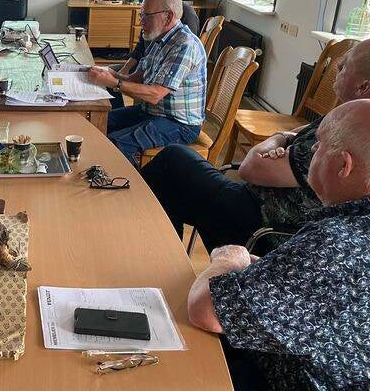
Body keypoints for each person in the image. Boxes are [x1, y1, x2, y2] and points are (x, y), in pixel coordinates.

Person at [187, 99, 370, 391]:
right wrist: (272, 272)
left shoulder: (335, 243)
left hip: (298, 385)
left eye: (319, 146)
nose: (311, 150)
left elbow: (206, 311)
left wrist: (228, 258)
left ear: (343, 166)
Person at [141, 39, 370, 252]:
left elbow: (250, 169)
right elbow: (295, 134)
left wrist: (278, 140)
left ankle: (159, 254)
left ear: (364, 86)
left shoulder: (349, 138)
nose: (338, 68)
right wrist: (282, 138)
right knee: (172, 187)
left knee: (172, 162)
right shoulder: (351, 116)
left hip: (264, 224)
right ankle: (164, 255)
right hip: (258, 201)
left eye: (345, 66)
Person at [88, 0, 206, 166]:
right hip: (152, 112)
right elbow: (136, 78)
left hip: (179, 124)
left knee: (116, 143)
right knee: (99, 122)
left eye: (146, 16)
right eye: (141, 15)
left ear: (168, 17)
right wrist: (111, 74)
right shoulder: (159, 40)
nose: (141, 20)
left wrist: (114, 82)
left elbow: (155, 94)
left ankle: (134, 182)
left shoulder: (184, 45)